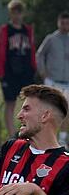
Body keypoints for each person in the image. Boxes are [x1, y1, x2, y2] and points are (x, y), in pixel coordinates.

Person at [0, 0, 37, 137]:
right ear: (10, 14)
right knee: (10, 103)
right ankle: (12, 134)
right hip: (9, 71)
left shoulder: (27, 30)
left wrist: (33, 67)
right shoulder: (5, 30)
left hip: (25, 71)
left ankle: (27, 131)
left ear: (22, 14)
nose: (17, 16)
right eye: (14, 13)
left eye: (19, 13)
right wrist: (0, 72)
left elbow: (32, 49)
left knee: (29, 103)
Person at [36, 11, 69, 145]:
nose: (65, 26)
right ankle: (47, 138)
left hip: (67, 82)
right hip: (53, 81)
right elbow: (39, 55)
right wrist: (43, 74)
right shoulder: (51, 38)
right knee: (50, 111)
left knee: (66, 111)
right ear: (58, 22)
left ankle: (62, 139)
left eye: (67, 23)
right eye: (62, 23)